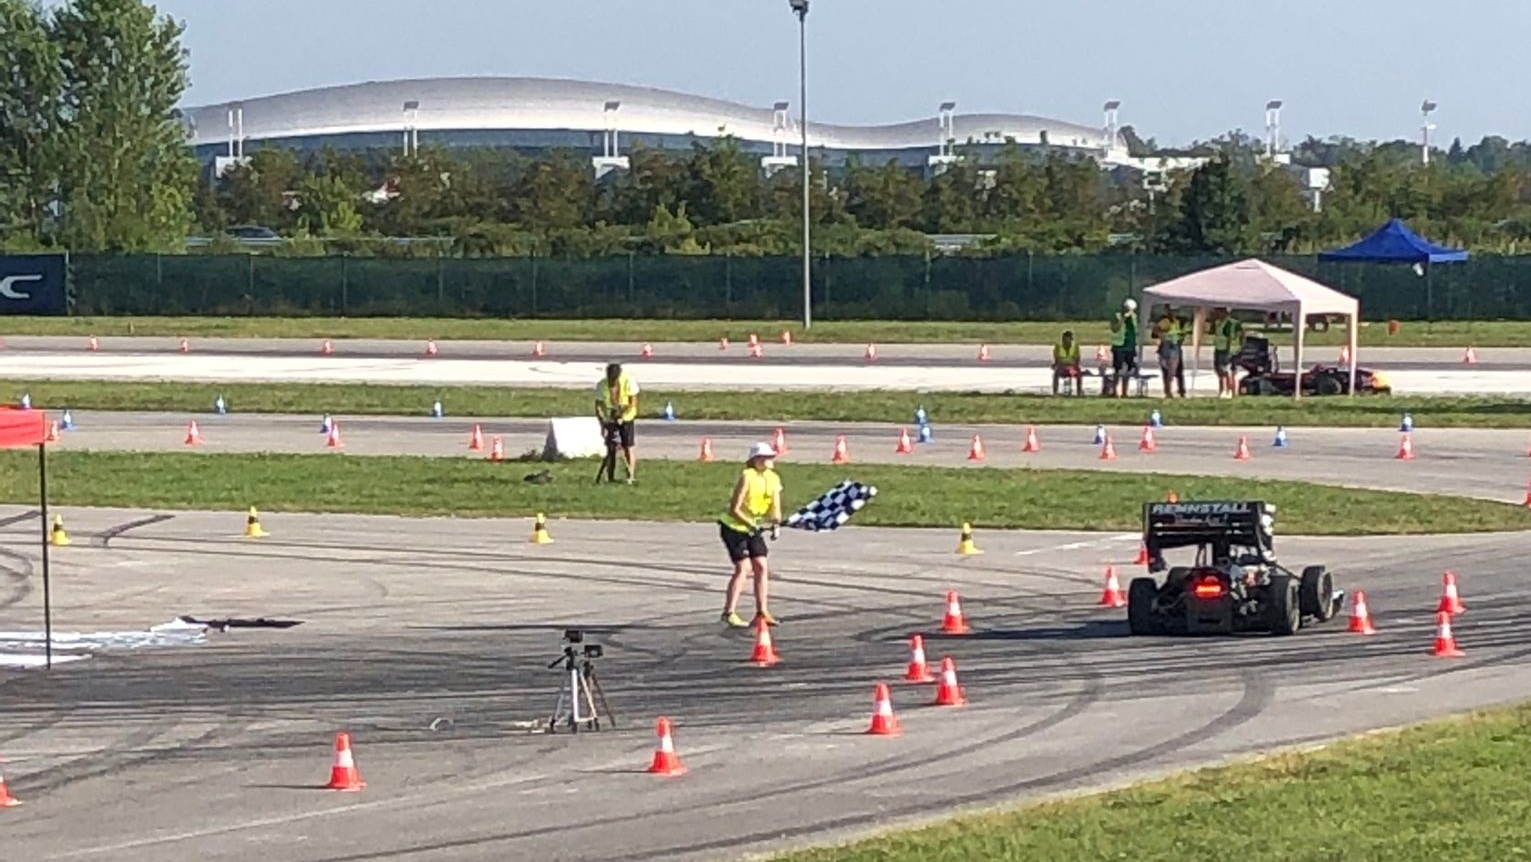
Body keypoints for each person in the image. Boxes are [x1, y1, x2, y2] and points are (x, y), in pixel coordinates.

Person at [719, 441, 784, 628]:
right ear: (755, 460)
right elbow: (734, 509)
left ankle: (762, 612)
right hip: (734, 528)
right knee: (744, 568)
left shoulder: (774, 478)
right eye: (764, 457)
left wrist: (776, 524)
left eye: (770, 456)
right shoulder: (747, 476)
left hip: (752, 528)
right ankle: (729, 612)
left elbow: (775, 506)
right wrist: (749, 524)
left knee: (761, 566)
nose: (769, 460)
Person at [593, 362, 639, 483]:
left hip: (627, 417)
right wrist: (603, 425)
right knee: (611, 448)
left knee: (627, 446)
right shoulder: (601, 385)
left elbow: (633, 402)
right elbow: (598, 407)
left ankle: (631, 476)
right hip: (610, 418)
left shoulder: (629, 381)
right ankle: (610, 476)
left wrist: (622, 417)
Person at [1152, 306, 1187, 398]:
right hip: (1167, 347)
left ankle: (1180, 391)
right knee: (1167, 371)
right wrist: (1161, 336)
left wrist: (1181, 339)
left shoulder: (1179, 322)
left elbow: (1182, 333)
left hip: (1175, 347)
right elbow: (1155, 330)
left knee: (1176, 371)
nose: (1174, 313)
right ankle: (1168, 391)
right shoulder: (1165, 321)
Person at [1211, 308, 1245, 398]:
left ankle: (1231, 392)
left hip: (1227, 350)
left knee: (1229, 372)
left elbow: (1236, 336)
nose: (1216, 314)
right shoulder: (1217, 322)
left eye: (1218, 312)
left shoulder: (1231, 323)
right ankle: (1222, 390)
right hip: (1219, 349)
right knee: (1220, 372)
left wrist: (1239, 347)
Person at [1108, 297, 1140, 397]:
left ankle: (1124, 392)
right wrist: (1122, 318)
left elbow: (1135, 331)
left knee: (1128, 370)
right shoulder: (1117, 316)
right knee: (1118, 370)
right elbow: (1115, 329)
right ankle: (1115, 391)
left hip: (1129, 346)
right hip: (1119, 346)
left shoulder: (1134, 317)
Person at [1052, 329, 1082, 395]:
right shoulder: (1058, 346)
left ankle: (1079, 393)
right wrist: (1058, 364)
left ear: (1071, 339)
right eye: (1064, 339)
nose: (1066, 340)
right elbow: (1057, 359)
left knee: (1078, 374)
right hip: (1062, 368)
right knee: (1056, 374)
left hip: (1072, 368)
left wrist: (1073, 365)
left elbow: (1077, 359)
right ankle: (1055, 393)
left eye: (1068, 339)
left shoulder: (1075, 346)